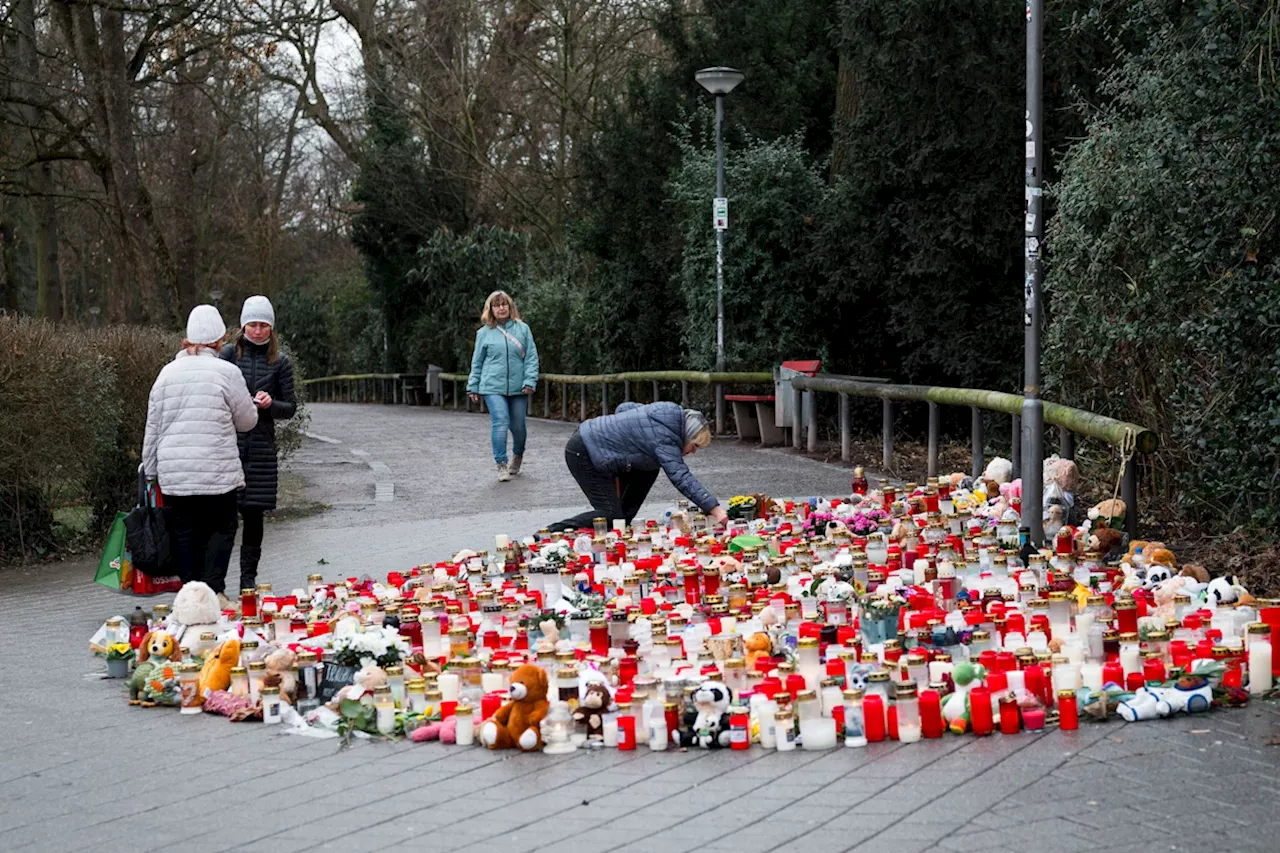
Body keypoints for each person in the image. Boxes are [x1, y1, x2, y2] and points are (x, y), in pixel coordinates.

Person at [142, 305, 257, 607]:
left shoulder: (166, 374)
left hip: (175, 474)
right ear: (220, 339)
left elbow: (153, 427)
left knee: (183, 530)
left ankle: (190, 596)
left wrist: (151, 471)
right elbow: (247, 421)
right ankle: (214, 591)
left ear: (187, 339)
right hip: (216, 472)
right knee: (222, 527)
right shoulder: (227, 372)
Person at [548, 401, 728, 533]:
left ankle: (620, 530)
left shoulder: (664, 415)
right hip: (583, 452)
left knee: (649, 468)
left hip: (593, 444)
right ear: (687, 436)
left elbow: (623, 408)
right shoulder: (665, 436)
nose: (693, 452)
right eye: (694, 446)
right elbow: (680, 477)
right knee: (610, 514)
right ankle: (550, 533)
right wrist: (716, 510)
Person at [220, 295, 297, 595]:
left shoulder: (280, 362)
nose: (257, 331)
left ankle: (247, 582)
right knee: (225, 519)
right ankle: (216, 583)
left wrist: (270, 404)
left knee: (253, 518)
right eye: (252, 324)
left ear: (271, 328)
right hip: (229, 446)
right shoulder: (228, 355)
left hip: (262, 449)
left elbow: (289, 407)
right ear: (242, 327)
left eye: (263, 325)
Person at [466, 290, 539, 482]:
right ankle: (501, 464)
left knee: (519, 427)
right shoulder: (483, 333)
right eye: (496, 305)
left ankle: (518, 455)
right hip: (492, 386)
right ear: (490, 309)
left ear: (510, 306)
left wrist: (530, 381)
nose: (501, 308)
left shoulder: (523, 329)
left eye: (504, 304)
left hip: (518, 387)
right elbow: (477, 362)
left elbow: (531, 357)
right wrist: (473, 385)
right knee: (500, 421)